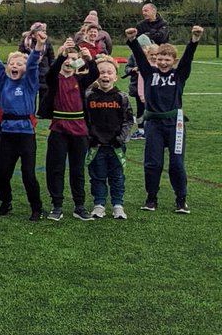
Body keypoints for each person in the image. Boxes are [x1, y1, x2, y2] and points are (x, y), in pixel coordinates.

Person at [125, 24, 203, 213]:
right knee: (153, 162)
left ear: (173, 61)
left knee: (176, 162)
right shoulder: (149, 73)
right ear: (155, 59)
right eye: (160, 59)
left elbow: (188, 59)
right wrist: (133, 39)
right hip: (153, 124)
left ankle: (181, 199)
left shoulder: (179, 75)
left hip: (175, 124)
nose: (163, 62)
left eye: (167, 59)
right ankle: (151, 198)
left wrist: (194, 40)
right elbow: (140, 56)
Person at [38, 40, 99, 221]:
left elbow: (94, 72)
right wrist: (62, 54)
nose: (69, 61)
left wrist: (89, 59)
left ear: (78, 62)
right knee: (55, 168)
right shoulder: (54, 80)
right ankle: (57, 205)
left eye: (74, 58)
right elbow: (51, 72)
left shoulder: (80, 80)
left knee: (77, 169)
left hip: (79, 131)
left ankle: (79, 206)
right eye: (67, 58)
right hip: (59, 130)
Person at [0, 27, 44, 221]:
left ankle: (36, 208)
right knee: (2, 175)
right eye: (12, 63)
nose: (15, 65)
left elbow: (34, 64)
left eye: (20, 63)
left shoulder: (29, 83)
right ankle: (6, 202)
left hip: (26, 135)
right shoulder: (3, 81)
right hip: (7, 134)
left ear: (25, 68)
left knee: (29, 174)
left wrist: (39, 46)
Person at [84, 56, 133, 219]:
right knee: (97, 176)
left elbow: (128, 120)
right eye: (101, 72)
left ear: (115, 77)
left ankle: (118, 205)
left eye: (109, 72)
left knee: (117, 176)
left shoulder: (122, 97)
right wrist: (89, 137)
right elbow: (83, 119)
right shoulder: (88, 96)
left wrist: (121, 138)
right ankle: (99, 205)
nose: (105, 75)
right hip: (96, 145)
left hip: (116, 146)